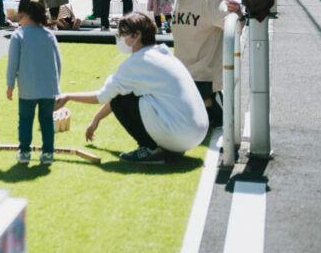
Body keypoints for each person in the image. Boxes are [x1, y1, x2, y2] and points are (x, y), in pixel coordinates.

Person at [54, 13, 208, 164]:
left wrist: (67, 96)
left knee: (120, 100)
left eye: (123, 34)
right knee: (126, 97)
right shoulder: (163, 52)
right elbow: (118, 93)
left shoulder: (137, 62)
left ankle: (149, 149)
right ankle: (167, 147)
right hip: (197, 132)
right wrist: (96, 119)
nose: (120, 38)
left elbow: (104, 96)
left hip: (180, 134)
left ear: (137, 35)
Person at [153, 0, 240, 127]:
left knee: (171, 117)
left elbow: (234, 25)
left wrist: (237, 14)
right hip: (184, 72)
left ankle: (211, 104)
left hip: (204, 77)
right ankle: (208, 107)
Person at [6, 0, 62, 165]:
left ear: (21, 14)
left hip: (27, 88)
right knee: (46, 121)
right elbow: (58, 62)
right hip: (48, 89)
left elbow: (12, 64)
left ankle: (24, 152)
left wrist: (10, 85)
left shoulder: (19, 35)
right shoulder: (49, 35)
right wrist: (56, 85)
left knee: (25, 120)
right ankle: (47, 153)